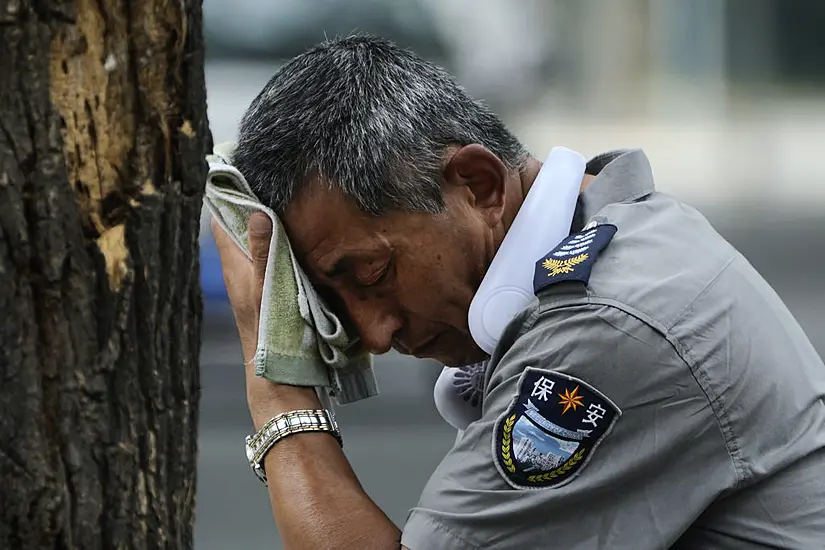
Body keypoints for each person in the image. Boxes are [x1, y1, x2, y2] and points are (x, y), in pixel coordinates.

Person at [212, 35, 825, 549]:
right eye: (332, 302)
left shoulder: (603, 328)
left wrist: (278, 390)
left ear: (477, 185)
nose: (374, 332)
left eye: (372, 275)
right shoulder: (613, 226)